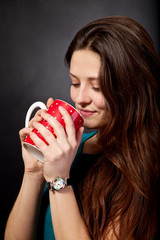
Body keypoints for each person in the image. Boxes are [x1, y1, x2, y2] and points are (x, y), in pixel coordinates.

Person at [5, 16, 160, 240]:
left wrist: (59, 180)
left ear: (132, 87)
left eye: (96, 87)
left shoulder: (145, 168)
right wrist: (34, 172)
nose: (79, 98)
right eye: (75, 83)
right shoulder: (67, 151)